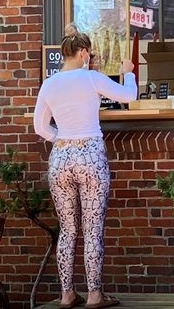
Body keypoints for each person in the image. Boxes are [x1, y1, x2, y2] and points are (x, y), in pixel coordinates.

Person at [33, 23, 137, 309]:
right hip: (90, 154)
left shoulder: (49, 83)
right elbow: (129, 96)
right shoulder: (91, 78)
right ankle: (94, 295)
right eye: (88, 53)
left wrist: (62, 138)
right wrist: (128, 71)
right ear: (81, 52)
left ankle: (67, 294)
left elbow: (39, 126)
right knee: (92, 228)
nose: (89, 57)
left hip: (61, 157)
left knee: (67, 229)